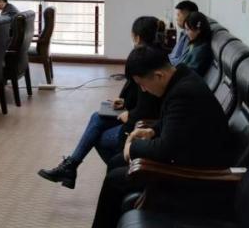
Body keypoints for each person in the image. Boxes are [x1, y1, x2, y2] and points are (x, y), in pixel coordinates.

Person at [63, 45, 231, 228]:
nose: (143, 90)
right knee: (116, 162)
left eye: (142, 84)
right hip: (189, 157)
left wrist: (133, 147)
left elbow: (164, 150)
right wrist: (152, 130)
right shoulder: (182, 79)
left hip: (196, 176)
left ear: (158, 75)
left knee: (115, 177)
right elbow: (174, 123)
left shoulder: (183, 93)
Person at [37, 16, 163, 189]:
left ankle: (117, 173)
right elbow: (140, 96)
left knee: (98, 137)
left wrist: (129, 114)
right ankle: (71, 167)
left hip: (141, 123)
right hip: (136, 114)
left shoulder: (145, 61)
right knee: (97, 117)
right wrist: (124, 102)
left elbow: (148, 105)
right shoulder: (154, 55)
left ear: (137, 37)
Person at [169, 0, 199, 65]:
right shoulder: (184, 33)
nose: (176, 18)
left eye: (178, 15)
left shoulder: (191, 36)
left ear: (188, 16)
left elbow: (180, 62)